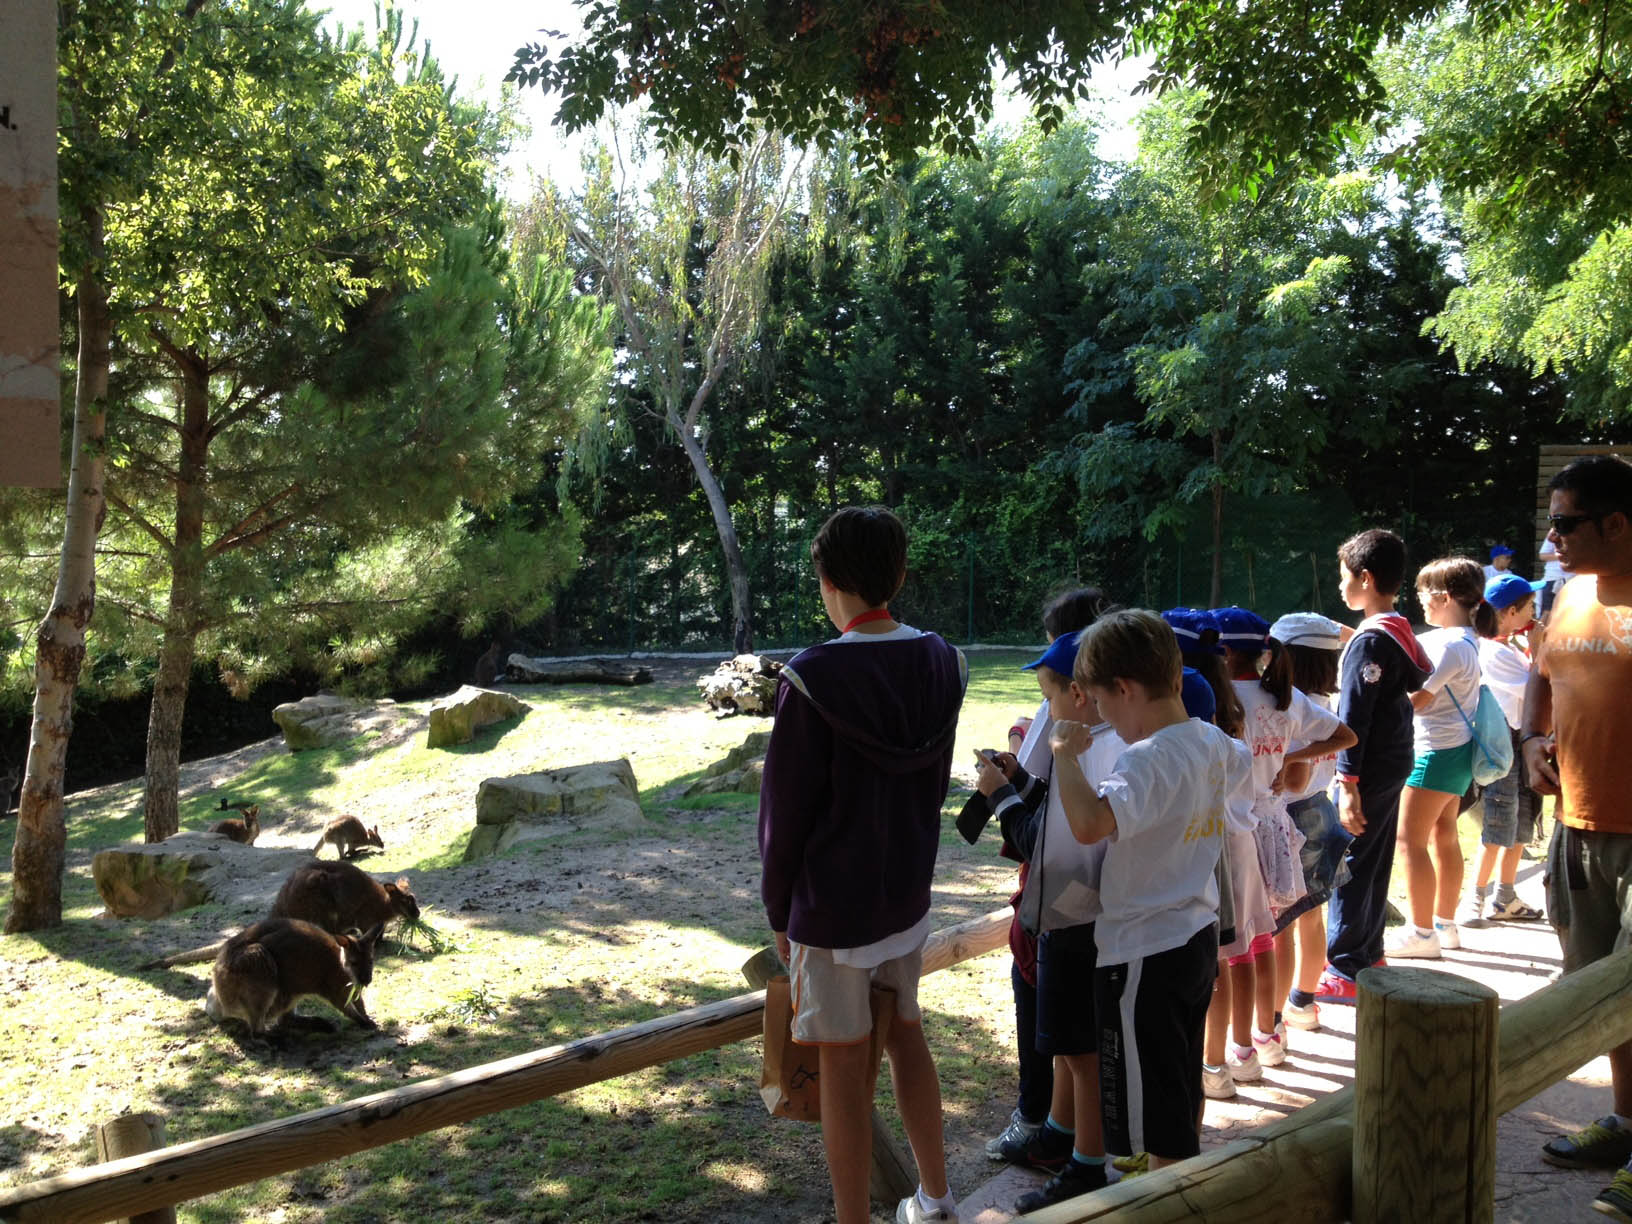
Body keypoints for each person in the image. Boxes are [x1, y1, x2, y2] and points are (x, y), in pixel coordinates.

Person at [757, 505, 969, 1224]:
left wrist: (780, 915)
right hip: (905, 897)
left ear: (826, 580)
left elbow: (783, 818)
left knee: (845, 1070)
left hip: (833, 910)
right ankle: (937, 1198)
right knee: (908, 1035)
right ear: (899, 575)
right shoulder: (945, 660)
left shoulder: (812, 677)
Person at [1049, 609, 1251, 1170]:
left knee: (1150, 1125)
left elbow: (1090, 822)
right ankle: (1180, 1183)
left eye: (1105, 705)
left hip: (1141, 953)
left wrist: (1067, 755)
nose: (1107, 720)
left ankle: (1164, 1198)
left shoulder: (1145, 760)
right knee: (1180, 1088)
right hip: (1195, 939)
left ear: (1124, 688)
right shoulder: (1215, 742)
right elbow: (1241, 783)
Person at [1519, 455, 1632, 1222]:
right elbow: (1540, 671)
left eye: (1564, 523)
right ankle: (1625, 1123)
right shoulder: (1567, 593)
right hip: (1577, 824)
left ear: (1617, 524)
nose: (1551, 538)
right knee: (1602, 996)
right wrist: (1531, 737)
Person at [978, 627, 1124, 1212]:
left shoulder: (1085, 752)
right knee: (1065, 1047)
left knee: (1081, 1054)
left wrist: (1001, 799)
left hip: (1077, 923)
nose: (1046, 709)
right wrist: (1021, 781)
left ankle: (1085, 1166)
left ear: (1081, 696)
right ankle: (1065, 1138)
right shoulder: (1097, 746)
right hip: (1079, 919)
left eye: (1050, 695)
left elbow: (1047, 842)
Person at [1317, 529, 1432, 1004]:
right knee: (1375, 856)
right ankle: (1369, 951)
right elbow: (1412, 678)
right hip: (1395, 759)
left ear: (1364, 578)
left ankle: (1344, 967)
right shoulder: (1397, 630)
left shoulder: (1370, 643)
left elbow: (1354, 717)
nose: (1340, 586)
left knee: (1350, 862)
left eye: (1344, 577)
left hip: (1367, 768)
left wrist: (1348, 781)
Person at [1387, 556, 1488, 959]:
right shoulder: (1466, 640)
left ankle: (1422, 933)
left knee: (1408, 840)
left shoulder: (1448, 646)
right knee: (1443, 834)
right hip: (1457, 752)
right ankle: (1445, 926)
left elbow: (1417, 701)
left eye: (1424, 595)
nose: (1421, 603)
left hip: (1434, 753)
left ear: (1444, 597)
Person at [1269, 613, 1357, 1031]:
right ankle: (1303, 1002)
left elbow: (1296, 778)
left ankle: (1274, 1021)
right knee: (1311, 915)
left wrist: (1283, 762)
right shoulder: (1327, 703)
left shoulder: (1294, 708)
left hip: (1293, 817)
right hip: (1320, 811)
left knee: (1280, 925)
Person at [1458, 571, 1546, 927]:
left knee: (1522, 825)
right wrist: (1539, 648)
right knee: (1499, 823)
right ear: (1510, 612)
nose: (1534, 612)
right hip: (1502, 746)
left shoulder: (1506, 646)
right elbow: (1538, 690)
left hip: (1517, 743)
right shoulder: (1493, 651)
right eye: (1529, 606)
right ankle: (1475, 900)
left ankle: (1505, 896)